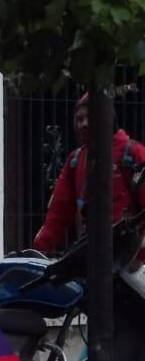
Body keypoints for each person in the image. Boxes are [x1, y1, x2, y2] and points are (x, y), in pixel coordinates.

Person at [33, 92, 145, 258]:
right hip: (92, 258)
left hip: (132, 263)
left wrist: (140, 257)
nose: (83, 124)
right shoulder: (75, 160)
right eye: (79, 119)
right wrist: (36, 253)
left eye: (90, 117)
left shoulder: (133, 153)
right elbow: (58, 213)